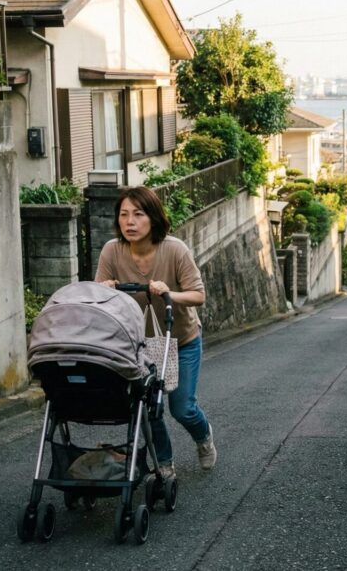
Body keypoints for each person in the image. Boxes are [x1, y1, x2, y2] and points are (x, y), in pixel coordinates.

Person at [96, 186, 216, 478]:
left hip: (182, 340)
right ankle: (164, 463)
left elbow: (198, 295)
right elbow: (96, 296)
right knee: (149, 407)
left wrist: (169, 293)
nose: (130, 222)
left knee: (182, 408)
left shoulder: (174, 249)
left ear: (153, 218)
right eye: (124, 215)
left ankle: (203, 437)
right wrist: (104, 290)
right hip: (139, 345)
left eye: (138, 214)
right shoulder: (112, 251)